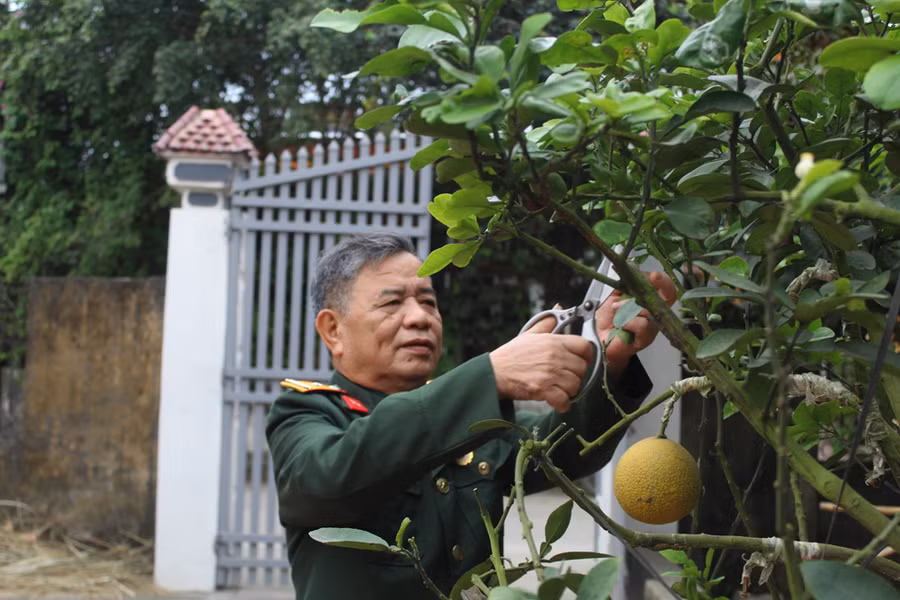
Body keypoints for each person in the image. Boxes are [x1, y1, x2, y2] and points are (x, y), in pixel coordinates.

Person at [266, 233, 676, 600]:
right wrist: (489, 377)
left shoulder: (467, 416)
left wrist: (610, 359)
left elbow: (564, 453)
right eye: (392, 302)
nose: (419, 317)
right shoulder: (307, 412)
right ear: (333, 330)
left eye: (428, 301)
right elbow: (329, 479)